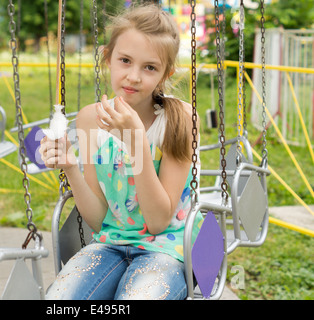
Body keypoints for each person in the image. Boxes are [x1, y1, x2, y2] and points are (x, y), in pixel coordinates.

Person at [40, 4, 203, 300]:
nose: (134, 77)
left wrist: (135, 140)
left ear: (165, 73)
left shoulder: (180, 119)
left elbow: (157, 221)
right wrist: (71, 168)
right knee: (59, 301)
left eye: (149, 67)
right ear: (108, 58)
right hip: (110, 243)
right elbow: (99, 218)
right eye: (125, 61)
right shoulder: (90, 119)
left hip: (167, 250)